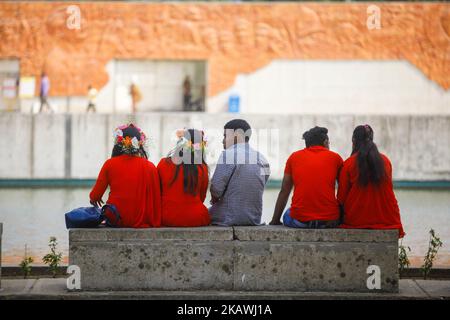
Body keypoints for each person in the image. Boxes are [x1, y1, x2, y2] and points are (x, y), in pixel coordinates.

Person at [337, 125, 405, 237]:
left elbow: (341, 198)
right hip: (387, 219)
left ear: (353, 141)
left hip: (356, 221)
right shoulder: (386, 161)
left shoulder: (348, 164)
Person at [270, 126, 343, 228]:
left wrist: (275, 220)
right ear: (325, 142)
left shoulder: (294, 157)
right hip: (328, 222)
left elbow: (284, 191)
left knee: (288, 213)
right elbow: (343, 190)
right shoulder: (336, 158)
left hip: (300, 221)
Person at [90, 124, 161, 228]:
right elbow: (156, 200)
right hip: (141, 219)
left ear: (119, 143)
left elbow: (94, 196)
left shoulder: (109, 164)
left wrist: (95, 199)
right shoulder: (150, 167)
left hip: (115, 218)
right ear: (140, 144)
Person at [209, 119, 270, 226]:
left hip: (228, 217)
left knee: (199, 215)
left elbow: (216, 189)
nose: (222, 141)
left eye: (225, 136)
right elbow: (261, 183)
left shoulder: (228, 155)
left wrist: (214, 198)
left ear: (236, 135)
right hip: (254, 219)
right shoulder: (263, 159)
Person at [157, 129, 210, 227]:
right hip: (196, 217)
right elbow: (202, 196)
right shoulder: (202, 167)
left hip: (167, 216)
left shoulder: (163, 163)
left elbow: (158, 192)